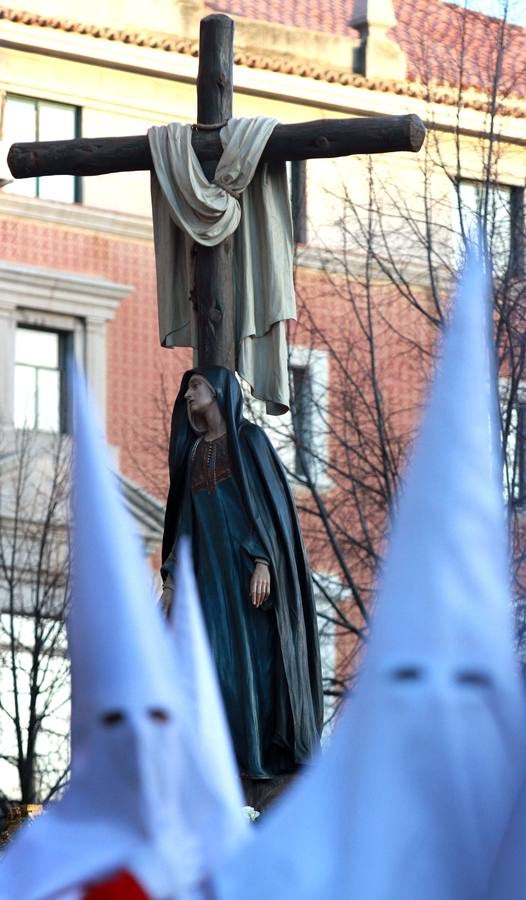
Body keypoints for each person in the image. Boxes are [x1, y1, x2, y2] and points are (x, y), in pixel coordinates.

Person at [161, 366, 324, 781]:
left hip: (250, 580)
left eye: (195, 386)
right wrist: (171, 581)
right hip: (211, 583)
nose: (187, 395)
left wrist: (265, 560)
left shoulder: (250, 441)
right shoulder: (194, 454)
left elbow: (270, 511)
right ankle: (224, 761)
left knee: (256, 667)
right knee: (215, 666)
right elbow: (185, 525)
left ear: (218, 390)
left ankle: (257, 757)